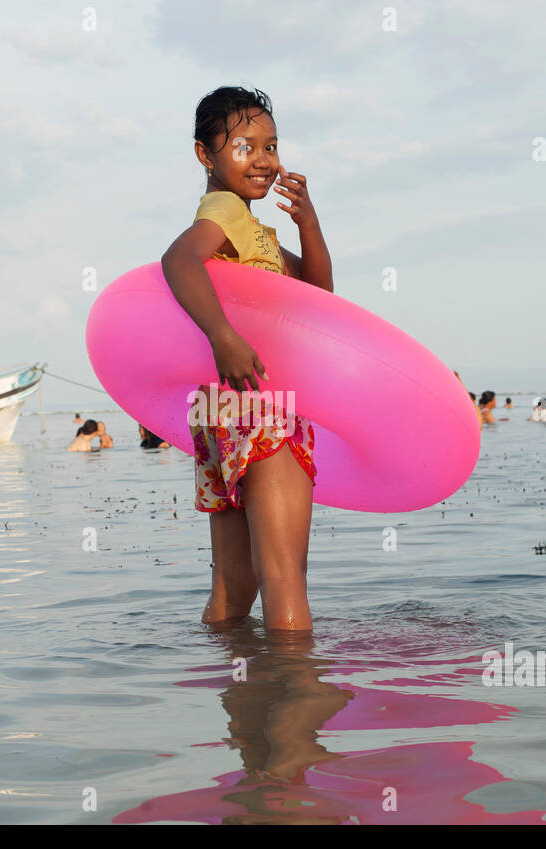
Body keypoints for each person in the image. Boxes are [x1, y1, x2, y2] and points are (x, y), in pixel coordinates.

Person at [161, 86, 332, 632]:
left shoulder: (252, 231)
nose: (263, 159)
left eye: (272, 145)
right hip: (265, 409)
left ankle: (242, 704)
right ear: (204, 154)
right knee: (285, 575)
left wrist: (309, 225)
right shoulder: (226, 212)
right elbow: (178, 259)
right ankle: (296, 698)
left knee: (234, 592)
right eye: (244, 146)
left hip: (219, 413)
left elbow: (318, 299)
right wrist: (222, 336)